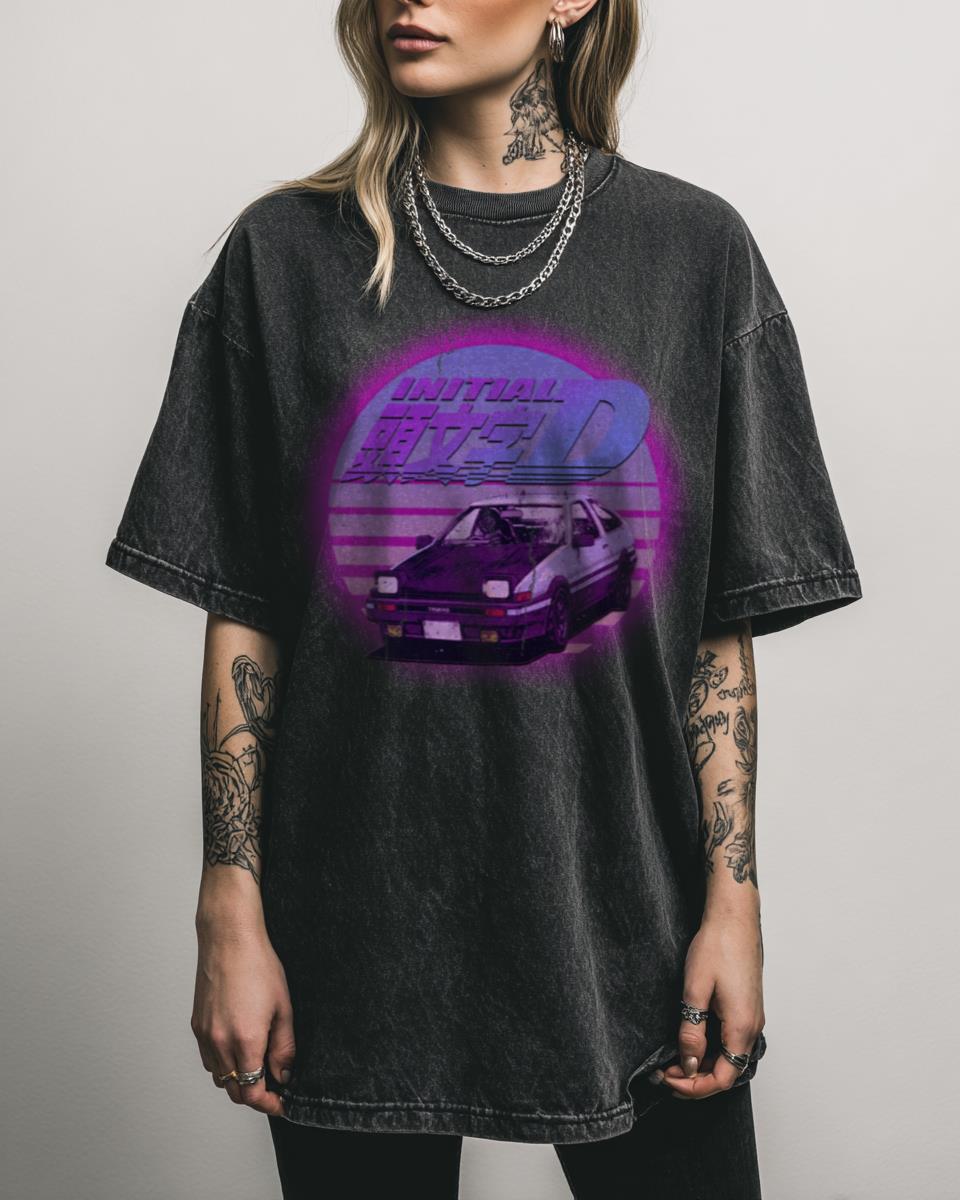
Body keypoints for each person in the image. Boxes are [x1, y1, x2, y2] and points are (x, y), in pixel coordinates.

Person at [104, 0, 864, 1196]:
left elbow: (716, 635)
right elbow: (246, 611)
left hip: (629, 920)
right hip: (351, 929)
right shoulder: (284, 255)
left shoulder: (693, 253)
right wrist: (229, 905)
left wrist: (734, 902)